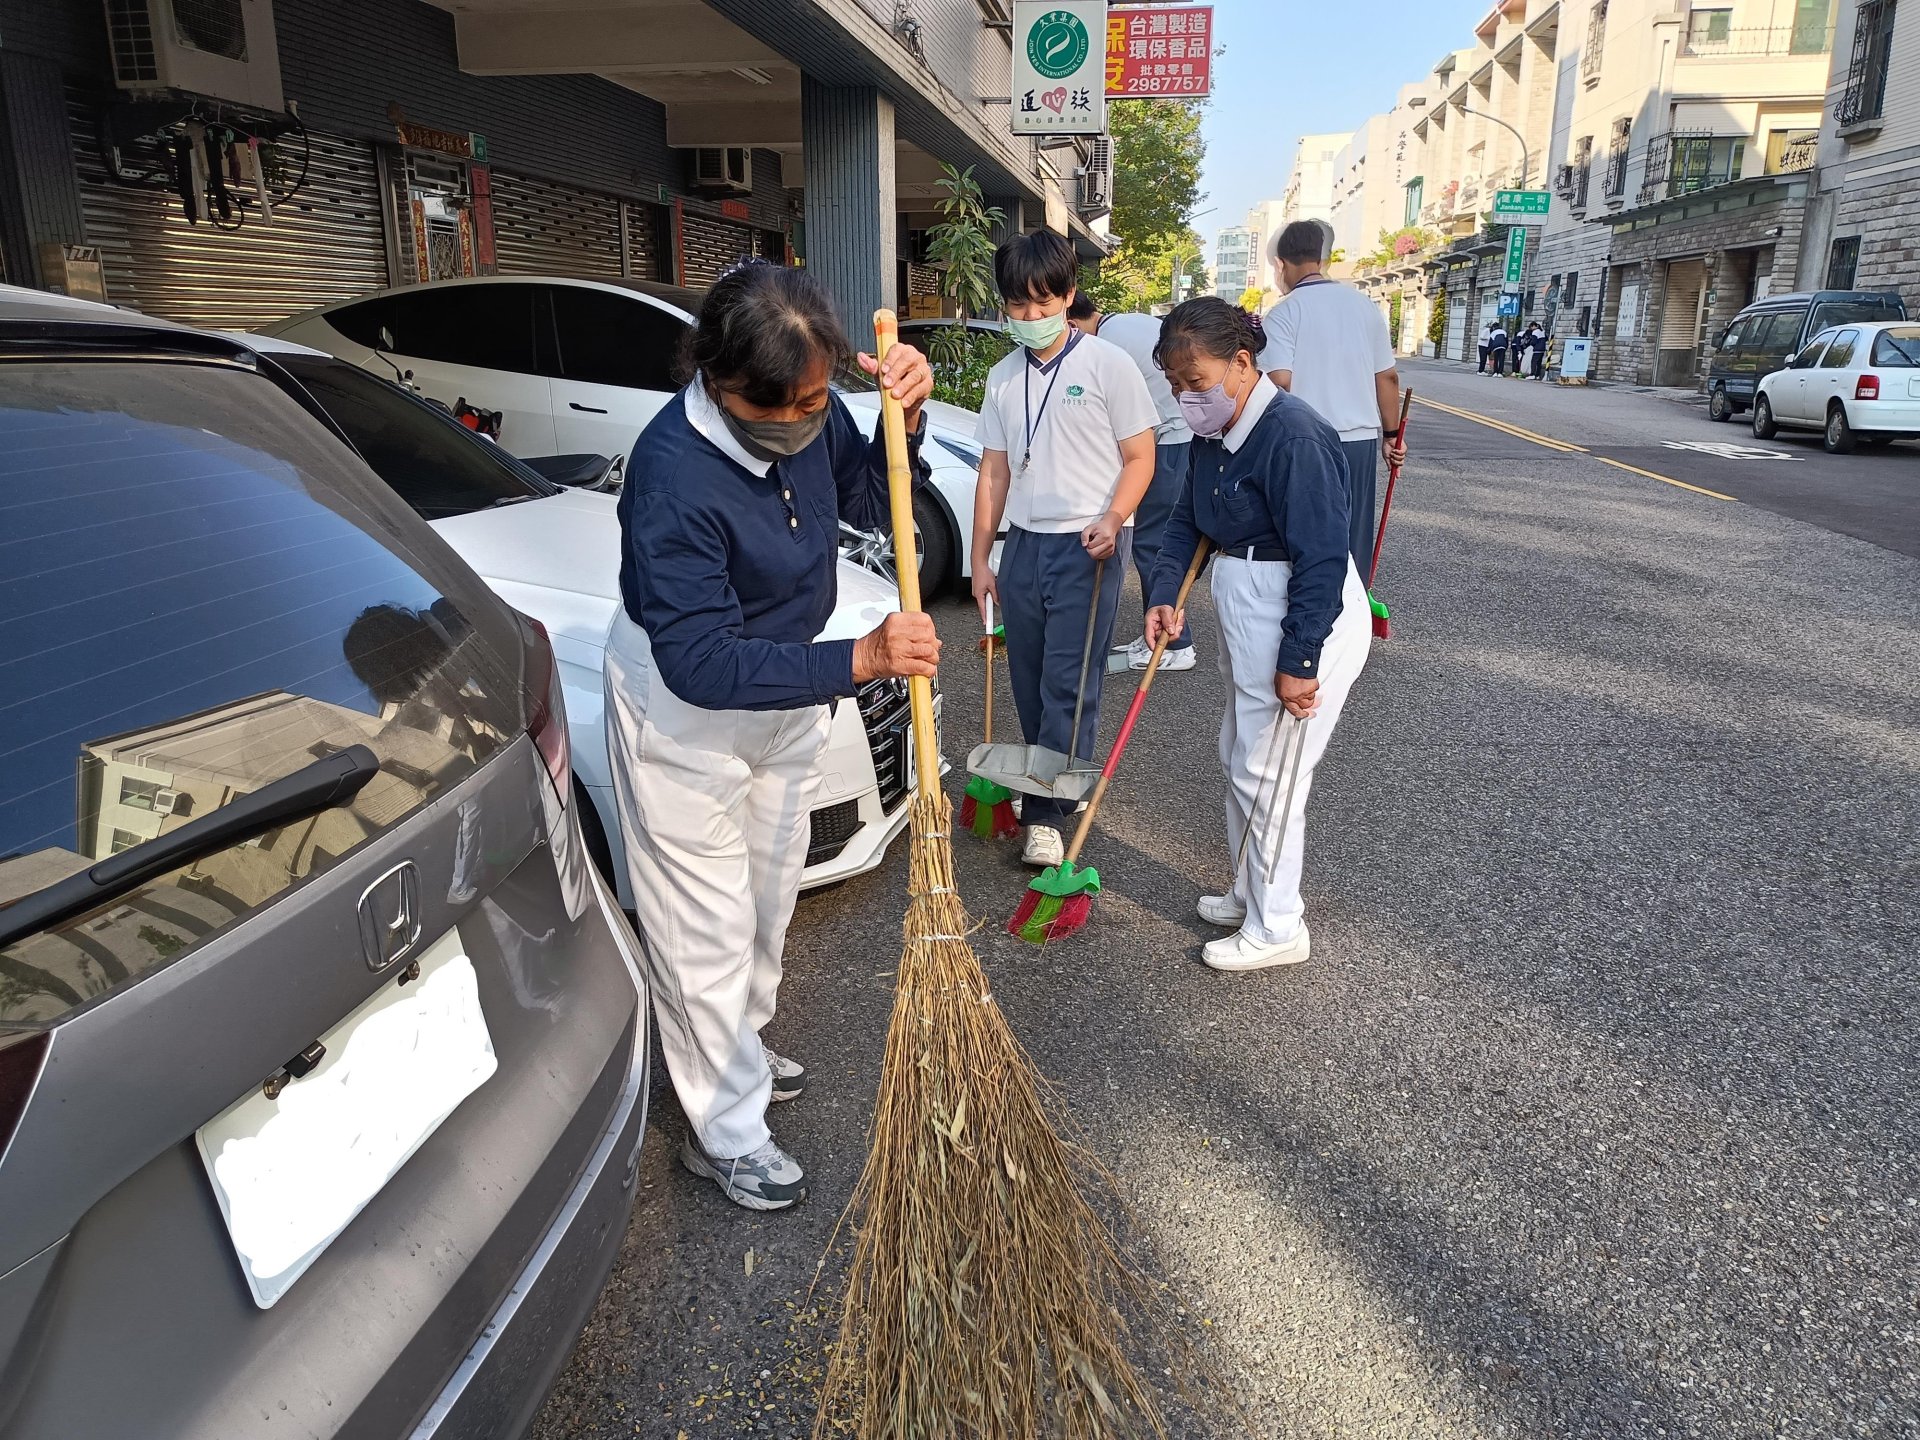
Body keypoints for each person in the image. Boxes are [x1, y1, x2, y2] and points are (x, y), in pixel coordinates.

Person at [607, 260, 940, 1211]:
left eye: (822, 395)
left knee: (766, 891)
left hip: (787, 678)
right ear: (723, 384)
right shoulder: (673, 477)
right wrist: (862, 660)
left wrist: (900, 423)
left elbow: (872, 505)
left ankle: (741, 1047)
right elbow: (701, 663)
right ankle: (725, 1129)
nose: (810, 414)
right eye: (792, 403)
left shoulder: (811, 406)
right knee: (701, 924)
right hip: (690, 710)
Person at [1144, 297, 1372, 972]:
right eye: (1176, 386)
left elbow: (1324, 557)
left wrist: (1300, 657)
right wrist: (1162, 593)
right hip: (1248, 604)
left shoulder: (1293, 437)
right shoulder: (1217, 430)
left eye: (1197, 382)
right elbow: (1189, 522)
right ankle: (1251, 889)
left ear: (1244, 363)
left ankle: (1278, 926)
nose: (1187, 398)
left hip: (1298, 610)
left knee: (1270, 776)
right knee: (1240, 757)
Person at [971, 232, 1158, 868]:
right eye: (1016, 307)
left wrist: (1114, 518)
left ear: (1069, 296)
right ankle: (1044, 784)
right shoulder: (1002, 379)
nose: (1029, 318)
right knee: (1027, 677)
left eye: (1041, 303)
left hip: (1089, 543)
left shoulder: (1108, 365)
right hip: (1023, 543)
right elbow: (993, 472)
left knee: (1069, 683)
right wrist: (980, 559)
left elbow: (1141, 456)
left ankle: (1050, 812)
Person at [1257, 218, 1408, 586]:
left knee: (1306, 530)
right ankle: (1351, 615)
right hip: (1358, 441)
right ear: (1321, 258)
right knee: (1352, 532)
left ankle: (1311, 616)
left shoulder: (1283, 313)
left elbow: (1280, 383)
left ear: (1281, 264)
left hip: (1306, 440)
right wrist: (1392, 436)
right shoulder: (1365, 307)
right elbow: (1386, 378)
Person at [1067, 292, 1197, 672]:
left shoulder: (1105, 344)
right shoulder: (1124, 323)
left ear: (1073, 323)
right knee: (1156, 541)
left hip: (1173, 441)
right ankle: (1158, 637)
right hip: (1181, 437)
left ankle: (1175, 645)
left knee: (1154, 543)